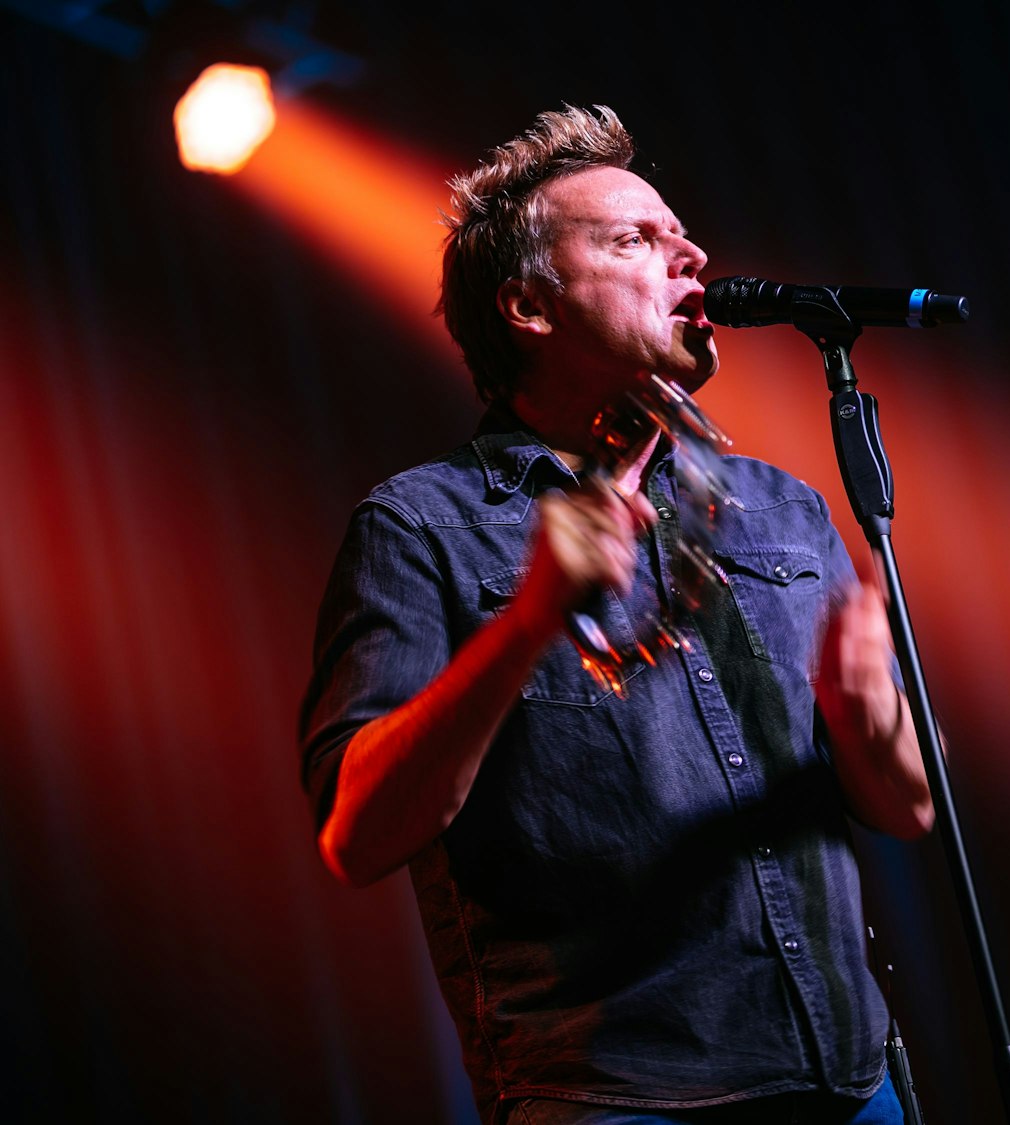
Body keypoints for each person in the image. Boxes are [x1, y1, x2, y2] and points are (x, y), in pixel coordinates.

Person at [297, 105, 932, 1125]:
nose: (690, 255)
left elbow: (904, 808)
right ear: (528, 307)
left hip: (848, 1084)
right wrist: (529, 620)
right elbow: (359, 832)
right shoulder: (426, 523)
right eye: (633, 238)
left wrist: (867, 718)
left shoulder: (783, 506)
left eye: (680, 233)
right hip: (618, 1097)